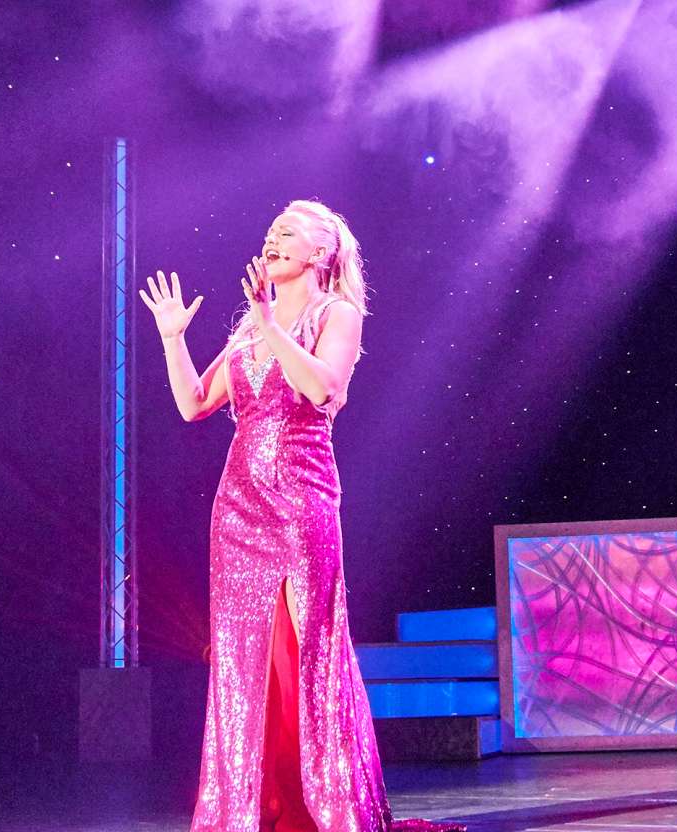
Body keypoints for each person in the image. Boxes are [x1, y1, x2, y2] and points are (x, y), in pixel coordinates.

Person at [140, 199, 464, 832]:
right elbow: (193, 404)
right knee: (239, 657)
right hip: (237, 508)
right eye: (270, 231)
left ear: (321, 253)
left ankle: (329, 803)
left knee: (311, 646)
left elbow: (322, 390)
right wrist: (174, 338)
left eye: (288, 232)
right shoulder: (247, 326)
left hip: (300, 497)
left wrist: (269, 325)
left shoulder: (337, 313)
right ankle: (248, 809)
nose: (273, 238)